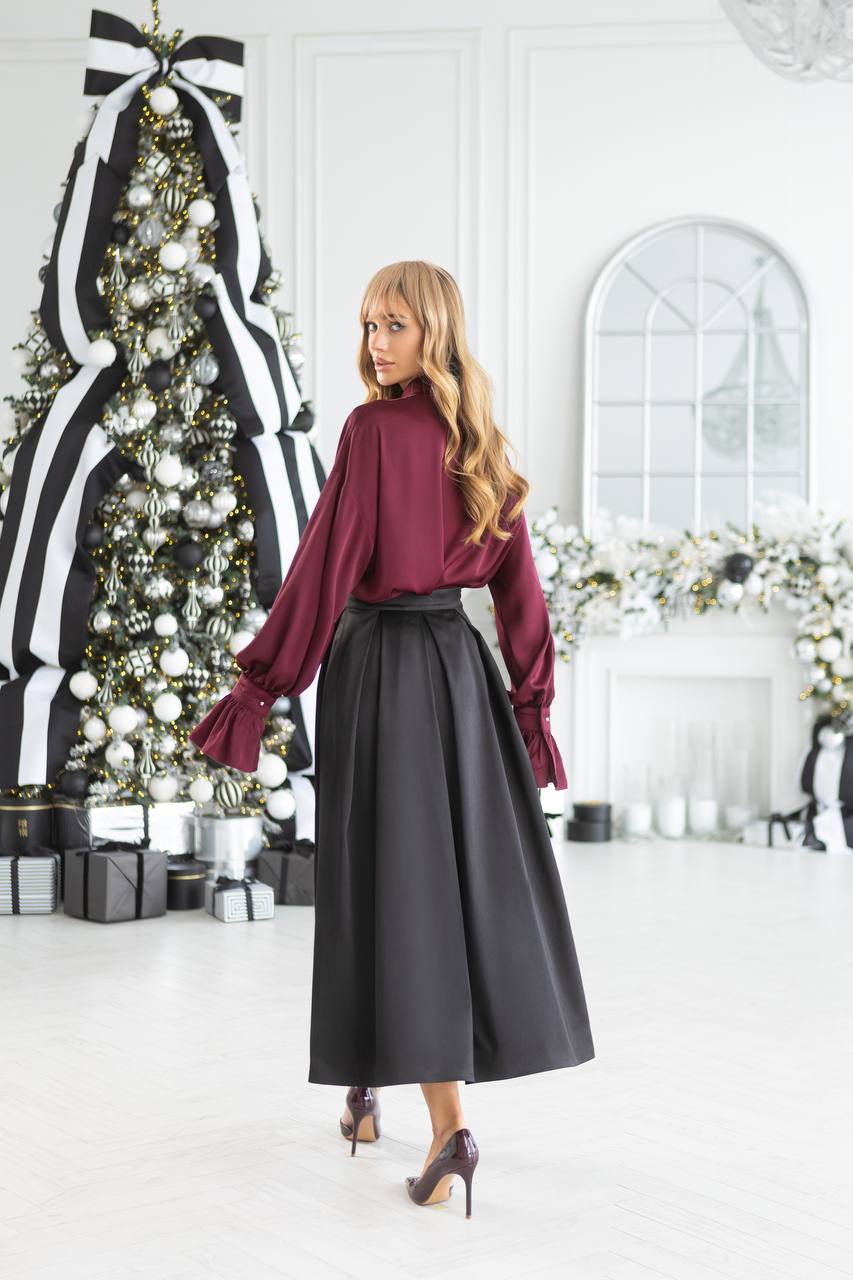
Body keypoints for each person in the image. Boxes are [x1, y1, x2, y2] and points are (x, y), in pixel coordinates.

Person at [189, 260, 595, 1217]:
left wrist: (261, 685)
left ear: (434, 334)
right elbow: (521, 599)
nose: (377, 343)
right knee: (437, 886)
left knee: (390, 888)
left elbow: (324, 567)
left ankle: (448, 1129)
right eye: (370, 323)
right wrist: (529, 711)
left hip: (378, 674)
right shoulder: (482, 440)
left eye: (397, 326)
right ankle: (364, 1092)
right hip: (461, 677)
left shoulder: (372, 431)